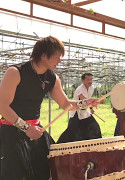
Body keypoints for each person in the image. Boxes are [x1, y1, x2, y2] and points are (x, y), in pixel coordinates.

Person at [0, 36, 99, 180]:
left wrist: (86, 103)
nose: (60, 60)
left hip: (36, 131)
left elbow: (65, 104)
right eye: (57, 57)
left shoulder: (52, 78)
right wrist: (27, 128)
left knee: (45, 171)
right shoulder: (15, 72)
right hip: (13, 131)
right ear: (44, 56)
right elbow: (2, 106)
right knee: (16, 175)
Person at [57, 73, 104, 143]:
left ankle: (96, 144)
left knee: (94, 127)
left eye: (91, 79)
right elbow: (84, 101)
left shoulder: (91, 88)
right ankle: (59, 146)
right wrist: (97, 101)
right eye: (88, 79)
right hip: (76, 112)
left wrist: (91, 109)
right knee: (71, 132)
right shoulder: (80, 90)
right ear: (83, 80)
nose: (90, 81)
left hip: (85, 113)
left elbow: (88, 100)